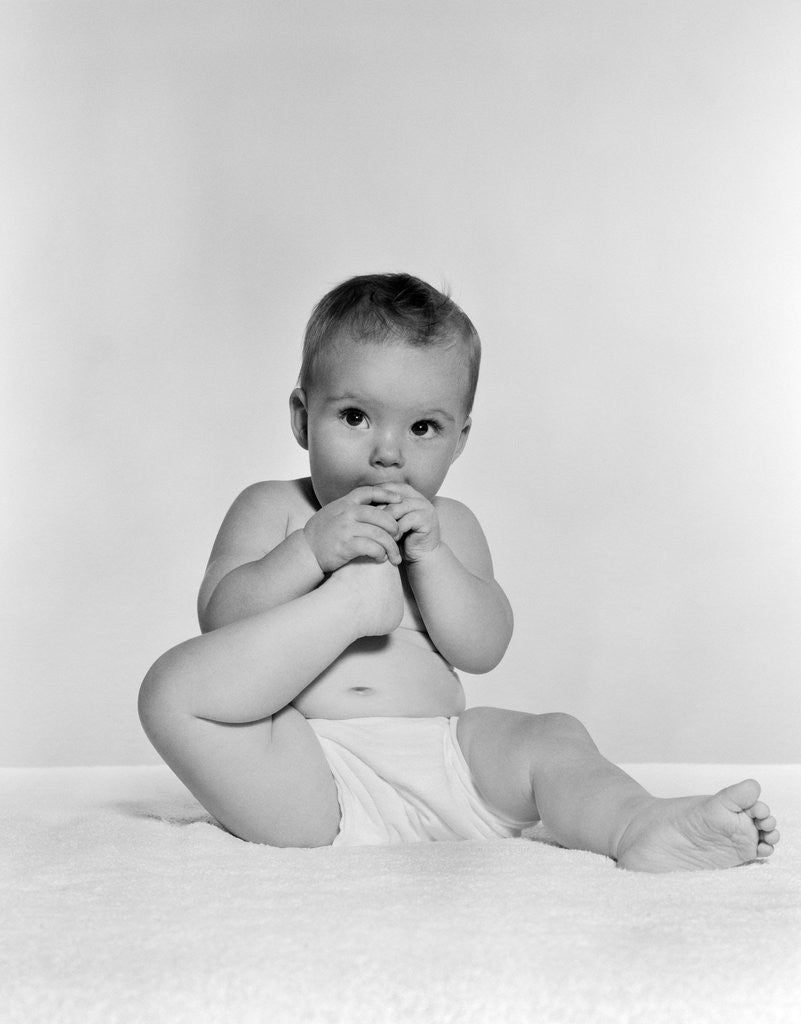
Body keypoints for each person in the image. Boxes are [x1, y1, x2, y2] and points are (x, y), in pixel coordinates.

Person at [139, 273, 780, 871]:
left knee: (553, 736)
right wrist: (310, 555)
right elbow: (221, 622)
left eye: (423, 427)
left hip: (447, 756)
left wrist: (433, 558)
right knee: (171, 691)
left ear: (460, 440)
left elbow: (483, 648)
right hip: (307, 773)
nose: (388, 453)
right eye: (355, 417)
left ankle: (636, 824)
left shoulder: (450, 525)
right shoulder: (273, 508)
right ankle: (350, 608)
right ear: (303, 417)